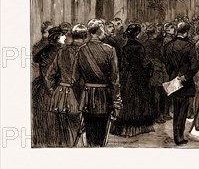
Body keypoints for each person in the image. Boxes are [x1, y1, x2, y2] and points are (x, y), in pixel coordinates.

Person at [72, 19, 122, 147]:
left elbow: (75, 78)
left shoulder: (81, 50)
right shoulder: (110, 50)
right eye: (103, 29)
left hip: (87, 97)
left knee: (90, 134)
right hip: (105, 98)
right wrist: (116, 102)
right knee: (102, 135)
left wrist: (81, 98)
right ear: (99, 31)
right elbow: (115, 80)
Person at [45, 23, 87, 147]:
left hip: (61, 94)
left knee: (65, 129)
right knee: (79, 127)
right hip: (80, 94)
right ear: (85, 36)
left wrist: (53, 91)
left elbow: (49, 75)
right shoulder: (86, 51)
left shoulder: (61, 51)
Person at [112, 23, 155, 137]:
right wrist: (150, 68)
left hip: (128, 76)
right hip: (139, 76)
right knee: (139, 99)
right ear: (137, 34)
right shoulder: (139, 47)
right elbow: (145, 63)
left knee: (128, 100)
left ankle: (125, 129)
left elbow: (123, 64)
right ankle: (138, 128)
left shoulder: (125, 47)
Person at [163, 21, 199, 145]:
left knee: (176, 110)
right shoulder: (190, 46)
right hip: (185, 83)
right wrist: (185, 77)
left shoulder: (169, 45)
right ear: (187, 32)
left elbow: (166, 64)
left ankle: (176, 136)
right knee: (182, 112)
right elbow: (194, 66)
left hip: (173, 81)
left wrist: (173, 76)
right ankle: (179, 137)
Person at [31, 26, 65, 146]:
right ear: (57, 38)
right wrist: (51, 89)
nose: (65, 37)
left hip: (47, 86)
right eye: (63, 36)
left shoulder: (51, 49)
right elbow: (47, 74)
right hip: (50, 87)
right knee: (49, 117)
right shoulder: (54, 51)